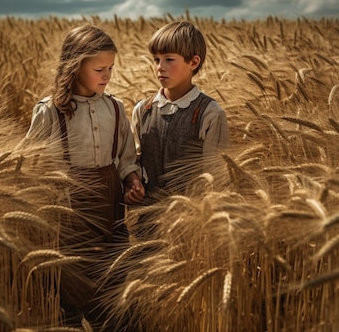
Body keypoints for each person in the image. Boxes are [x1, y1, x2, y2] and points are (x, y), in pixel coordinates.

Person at [24, 24, 145, 328]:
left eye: (111, 68)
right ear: (75, 67)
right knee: (73, 294)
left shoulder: (115, 108)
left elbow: (125, 159)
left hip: (111, 210)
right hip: (68, 215)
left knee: (114, 289)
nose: (107, 75)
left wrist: (132, 181)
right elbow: (33, 166)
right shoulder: (50, 112)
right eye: (99, 68)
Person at [131, 20, 230, 201]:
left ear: (193, 62)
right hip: (147, 220)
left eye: (169, 59)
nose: (160, 66)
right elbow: (134, 163)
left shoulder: (210, 113)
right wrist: (133, 186)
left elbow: (215, 177)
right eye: (156, 60)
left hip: (192, 219)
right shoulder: (142, 110)